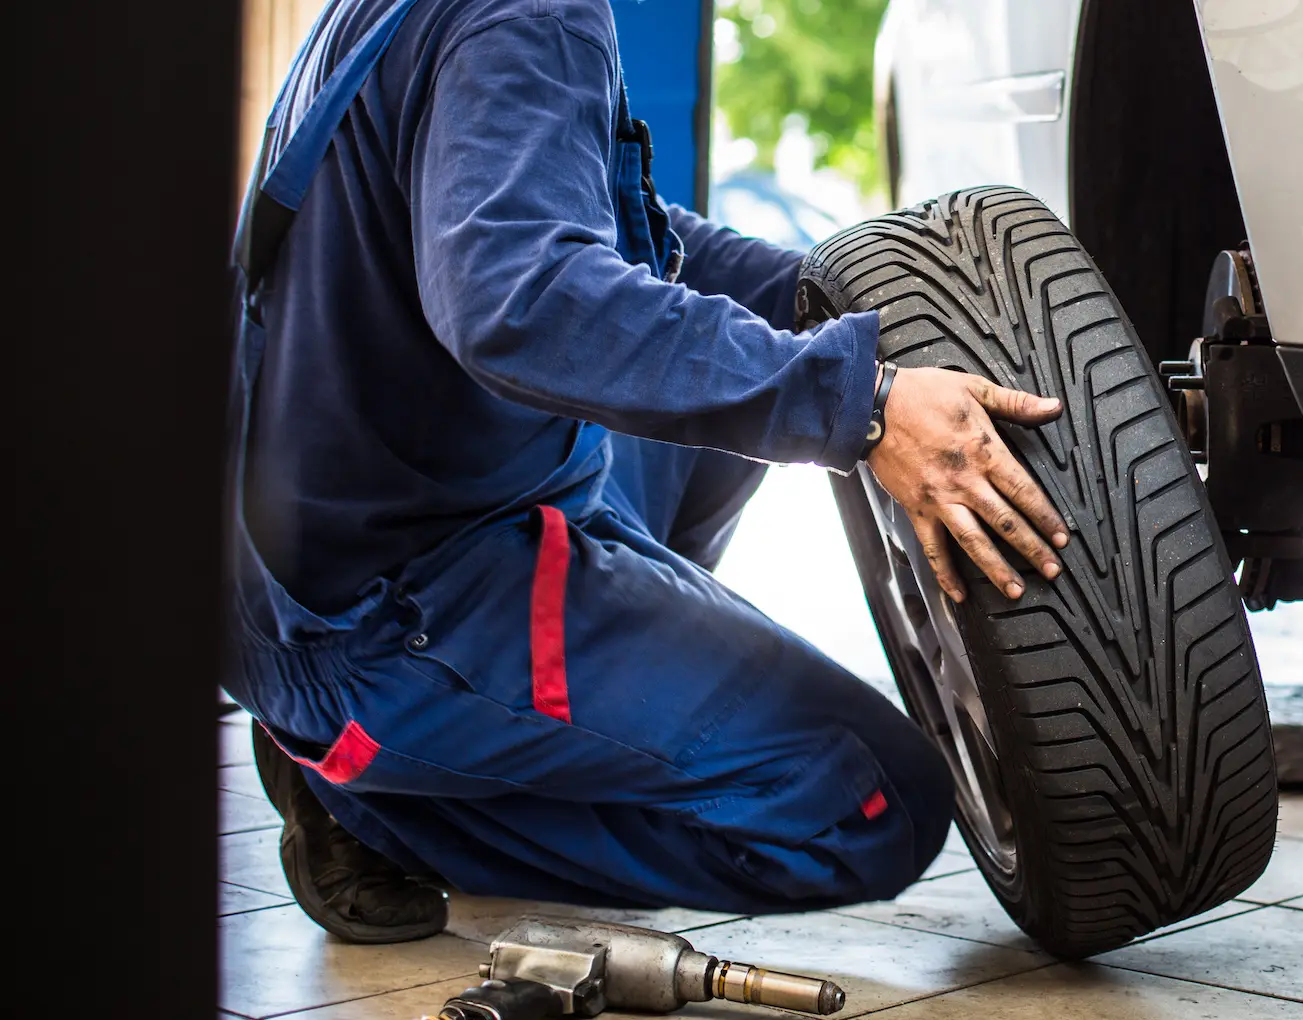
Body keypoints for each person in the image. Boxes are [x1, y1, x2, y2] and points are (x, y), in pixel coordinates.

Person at [227, 0, 1068, 943]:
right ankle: (375, 796)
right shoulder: (533, 14)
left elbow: (590, 220)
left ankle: (574, 717)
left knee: (712, 401)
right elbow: (522, 301)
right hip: (390, 610)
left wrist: (820, 300)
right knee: (877, 803)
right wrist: (862, 410)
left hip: (311, 551)